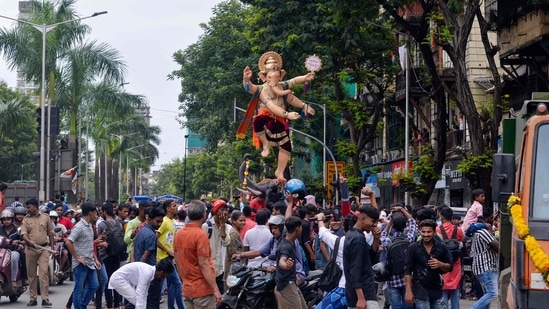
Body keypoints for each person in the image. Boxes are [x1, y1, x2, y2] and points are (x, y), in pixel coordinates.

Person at [242, 52, 315, 182]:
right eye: (270, 75)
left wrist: (305, 79)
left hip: (281, 121)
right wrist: (246, 79)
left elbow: (292, 92)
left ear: (280, 75)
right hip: (268, 119)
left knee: (286, 145)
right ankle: (265, 144)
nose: (274, 80)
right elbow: (268, 104)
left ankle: (280, 171)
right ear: (264, 77)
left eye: (277, 74)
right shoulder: (262, 90)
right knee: (257, 120)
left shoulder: (283, 86)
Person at [174, 200, 222, 308]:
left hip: (188, 288)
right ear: (204, 215)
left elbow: (177, 259)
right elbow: (204, 264)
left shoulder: (179, 234)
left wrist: (184, 280)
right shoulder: (200, 235)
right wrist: (215, 288)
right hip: (202, 290)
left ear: (188, 214)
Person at [404, 219, 452, 309]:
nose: (426, 235)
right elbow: (407, 270)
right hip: (420, 291)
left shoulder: (442, 248)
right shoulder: (413, 248)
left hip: (437, 291)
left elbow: (449, 267)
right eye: (423, 232)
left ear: (434, 232)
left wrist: (440, 264)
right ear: (420, 232)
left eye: (429, 232)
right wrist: (408, 291)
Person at [344, 205, 381, 309]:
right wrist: (361, 298)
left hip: (358, 293)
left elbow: (369, 257)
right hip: (364, 294)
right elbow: (355, 270)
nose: (374, 225)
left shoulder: (354, 235)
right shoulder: (357, 239)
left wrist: (376, 239)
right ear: (363, 219)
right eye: (373, 222)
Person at [380, 205, 417, 309]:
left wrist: (390, 221)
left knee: (396, 306)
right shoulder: (409, 239)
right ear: (404, 226)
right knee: (408, 306)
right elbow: (412, 223)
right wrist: (402, 210)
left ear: (393, 226)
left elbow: (383, 234)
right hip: (408, 279)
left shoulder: (389, 241)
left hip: (393, 279)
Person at [65, 202, 100, 309]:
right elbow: (68, 242)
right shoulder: (79, 227)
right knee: (78, 289)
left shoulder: (90, 226)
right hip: (81, 263)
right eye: (95, 213)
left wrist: (96, 259)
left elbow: (89, 244)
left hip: (90, 262)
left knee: (94, 285)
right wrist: (77, 257)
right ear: (90, 213)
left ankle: (82, 305)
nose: (96, 216)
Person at [21, 198, 55, 307]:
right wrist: (28, 241)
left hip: (44, 249)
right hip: (30, 250)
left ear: (35, 207)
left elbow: (51, 233)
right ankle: (33, 299)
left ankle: (45, 299)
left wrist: (52, 248)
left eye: (29, 207)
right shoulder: (26, 220)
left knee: (43, 274)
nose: (28, 210)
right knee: (31, 275)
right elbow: (23, 234)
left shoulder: (46, 218)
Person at [108, 258, 174, 309]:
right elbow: (140, 293)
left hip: (125, 280)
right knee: (137, 300)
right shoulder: (147, 272)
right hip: (118, 279)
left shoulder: (151, 273)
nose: (165, 277)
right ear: (162, 272)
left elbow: (145, 294)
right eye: (166, 275)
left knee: (140, 301)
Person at [133, 206, 165, 309]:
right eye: (157, 221)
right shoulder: (151, 235)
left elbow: (133, 252)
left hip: (141, 271)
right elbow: (145, 257)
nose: (159, 224)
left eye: (161, 222)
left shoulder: (141, 231)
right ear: (149, 219)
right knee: (152, 302)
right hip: (149, 273)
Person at [156, 199, 184, 309]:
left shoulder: (172, 222)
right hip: (163, 258)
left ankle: (171, 306)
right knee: (177, 284)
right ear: (168, 208)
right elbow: (156, 239)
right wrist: (167, 250)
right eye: (174, 205)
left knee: (172, 284)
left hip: (170, 258)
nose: (177, 207)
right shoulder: (164, 221)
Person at [275, 215, 308, 309]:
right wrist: (285, 265)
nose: (302, 229)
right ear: (297, 229)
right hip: (286, 285)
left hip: (292, 282)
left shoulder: (287, 238)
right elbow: (282, 260)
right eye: (301, 227)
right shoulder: (287, 246)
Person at [470, 206, 499, 309]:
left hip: (481, 267)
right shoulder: (483, 232)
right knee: (492, 293)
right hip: (485, 267)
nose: (493, 220)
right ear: (486, 219)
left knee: (487, 294)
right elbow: (497, 246)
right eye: (492, 218)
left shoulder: (478, 231)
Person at [97, 202, 124, 309]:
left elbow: (99, 240)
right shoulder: (119, 224)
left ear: (104, 211)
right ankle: (117, 304)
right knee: (116, 278)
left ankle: (109, 304)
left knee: (107, 280)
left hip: (105, 255)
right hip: (117, 255)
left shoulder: (101, 225)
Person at [202, 199, 231, 294]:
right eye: (222, 210)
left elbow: (226, 243)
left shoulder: (227, 227)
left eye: (226, 209)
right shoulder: (206, 226)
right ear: (215, 211)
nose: (225, 212)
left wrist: (222, 226)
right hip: (208, 268)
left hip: (219, 269)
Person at [436, 206, 463, 309]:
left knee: (443, 292)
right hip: (455, 264)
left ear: (442, 216)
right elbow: (461, 241)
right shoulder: (458, 230)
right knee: (455, 292)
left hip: (442, 264)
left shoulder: (437, 230)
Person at [0, 209, 23, 285]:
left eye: (8, 219)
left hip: (13, 251)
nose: (6, 221)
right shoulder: (0, 229)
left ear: (12, 220)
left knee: (14, 257)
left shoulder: (17, 230)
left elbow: (23, 240)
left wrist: (20, 244)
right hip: (1, 251)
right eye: (4, 220)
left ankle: (13, 280)